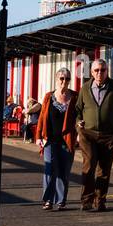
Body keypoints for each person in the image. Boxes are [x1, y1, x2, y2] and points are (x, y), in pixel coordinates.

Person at [74, 59, 113, 212]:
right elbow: (77, 110)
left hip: (108, 136)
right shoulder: (85, 88)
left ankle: (100, 201)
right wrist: (78, 123)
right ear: (92, 72)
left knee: (104, 170)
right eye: (96, 70)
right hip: (88, 134)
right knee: (89, 165)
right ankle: (86, 200)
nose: (99, 73)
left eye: (102, 70)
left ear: (107, 71)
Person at [37, 68, 78, 210]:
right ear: (56, 79)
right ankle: (48, 199)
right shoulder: (49, 96)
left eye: (67, 79)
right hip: (50, 140)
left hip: (67, 141)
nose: (64, 81)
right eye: (61, 78)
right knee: (49, 168)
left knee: (63, 171)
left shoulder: (75, 96)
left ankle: (60, 201)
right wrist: (38, 137)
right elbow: (42, 117)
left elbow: (80, 116)